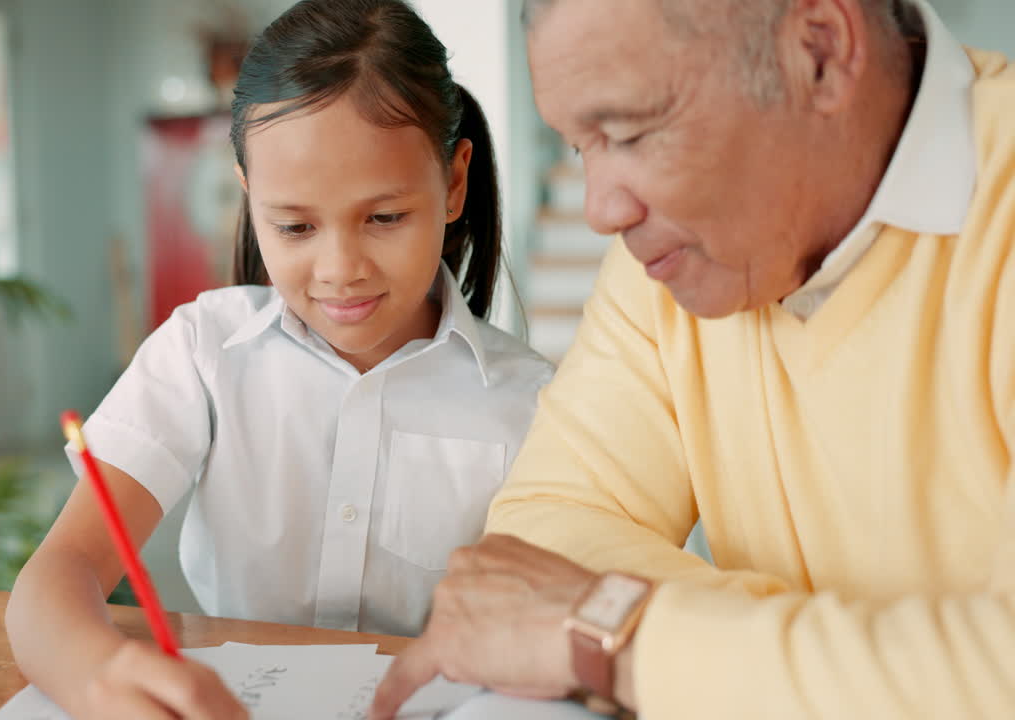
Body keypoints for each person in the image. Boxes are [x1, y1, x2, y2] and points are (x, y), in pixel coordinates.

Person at [371, 0, 1015, 718]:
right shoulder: (674, 263)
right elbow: (547, 528)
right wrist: (870, 669)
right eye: (583, 148)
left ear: (821, 55)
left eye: (632, 132)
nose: (600, 211)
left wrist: (617, 638)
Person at [4, 0, 555, 717]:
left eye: (384, 218)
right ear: (249, 193)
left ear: (452, 184)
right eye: (294, 225)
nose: (339, 269)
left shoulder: (532, 402)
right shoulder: (202, 354)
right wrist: (96, 676)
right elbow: (60, 574)